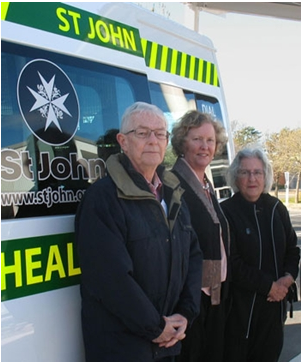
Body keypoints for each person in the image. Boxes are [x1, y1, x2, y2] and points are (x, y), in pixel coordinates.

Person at [75, 102, 202, 362]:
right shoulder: (103, 198)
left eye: (160, 133)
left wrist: (185, 314)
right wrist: (156, 327)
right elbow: (110, 279)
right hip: (123, 347)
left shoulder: (173, 193)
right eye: (142, 133)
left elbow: (193, 255)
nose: (153, 141)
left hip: (168, 345)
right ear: (123, 141)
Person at [221, 148, 300, 362]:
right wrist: (269, 287)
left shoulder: (277, 208)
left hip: (275, 311)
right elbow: (232, 263)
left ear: (265, 176)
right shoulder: (226, 212)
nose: (252, 178)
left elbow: (293, 249)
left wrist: (288, 278)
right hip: (240, 315)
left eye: (257, 172)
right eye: (245, 172)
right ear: (236, 177)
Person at [170, 110, 231, 361]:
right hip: (190, 298)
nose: (205, 146)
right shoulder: (172, 182)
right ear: (183, 142)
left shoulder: (205, 183)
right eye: (197, 139)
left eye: (210, 140)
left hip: (212, 292)